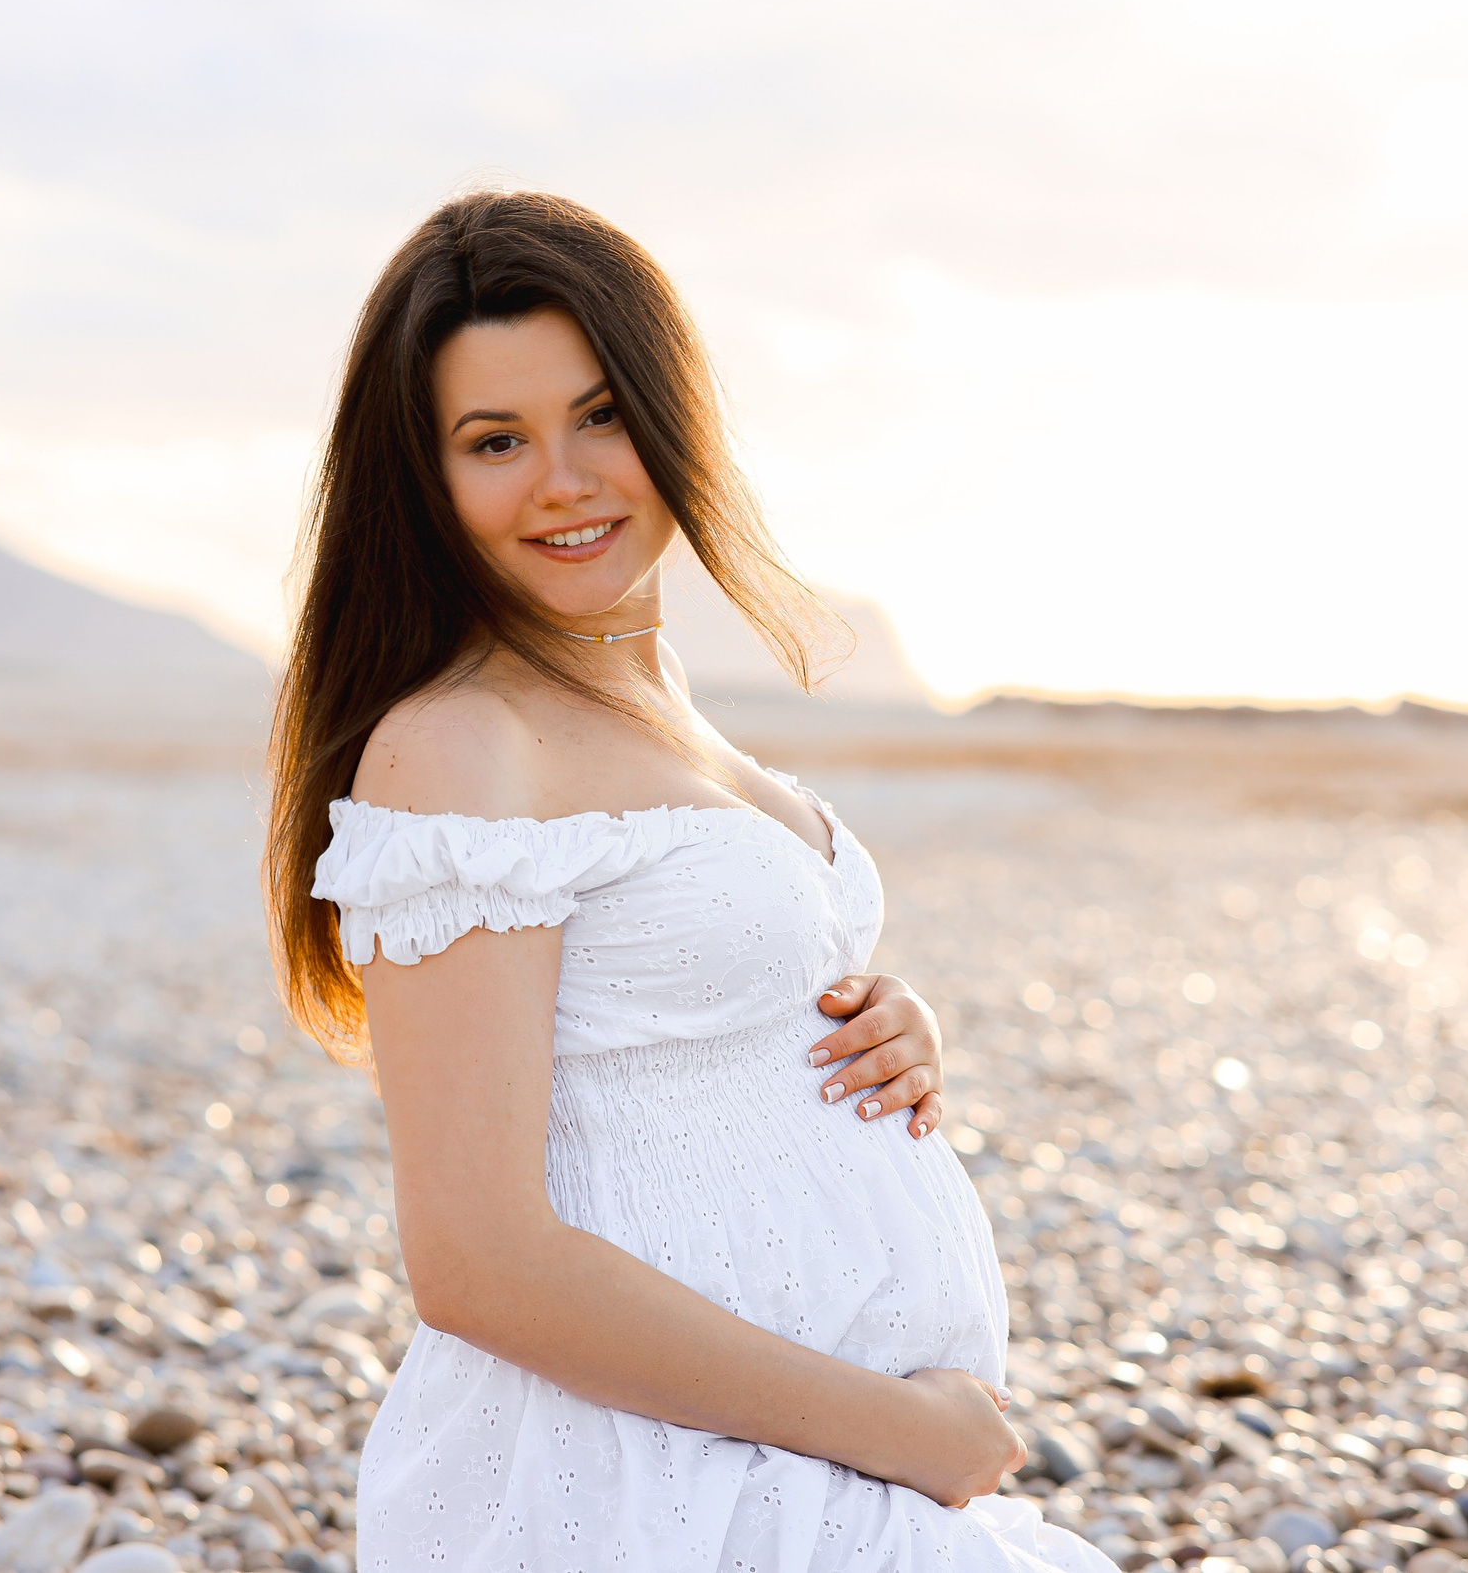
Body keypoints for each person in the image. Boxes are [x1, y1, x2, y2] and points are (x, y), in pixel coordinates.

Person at [264, 191, 1111, 1569]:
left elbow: (673, 1002)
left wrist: (876, 1018)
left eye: (601, 414)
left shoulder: (661, 710)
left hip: (777, 1463)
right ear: (422, 481)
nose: (565, 478)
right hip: (633, 1482)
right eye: (495, 441)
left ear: (673, 412)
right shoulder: (460, 745)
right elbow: (476, 1259)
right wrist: (904, 1436)